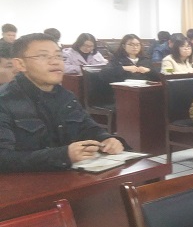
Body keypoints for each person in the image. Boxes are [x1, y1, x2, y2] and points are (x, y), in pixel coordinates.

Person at [0, 33, 124, 173]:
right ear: (20, 64)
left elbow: (87, 127)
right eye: (43, 56)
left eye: (58, 56)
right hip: (27, 183)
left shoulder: (66, 96)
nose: (55, 62)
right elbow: (3, 158)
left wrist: (106, 139)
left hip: (73, 177)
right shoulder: (4, 100)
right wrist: (63, 155)